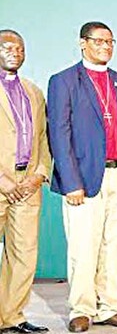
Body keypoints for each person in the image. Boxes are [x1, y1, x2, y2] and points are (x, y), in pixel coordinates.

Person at [47, 22, 117, 332]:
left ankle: (111, 308)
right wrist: (70, 181)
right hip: (84, 178)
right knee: (83, 246)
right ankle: (82, 309)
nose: (105, 46)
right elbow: (59, 134)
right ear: (82, 43)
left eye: (110, 41)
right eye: (99, 41)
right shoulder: (64, 81)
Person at [0, 30, 51, 334]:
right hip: (2, 182)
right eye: (7, 47)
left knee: (24, 255)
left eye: (20, 48)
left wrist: (39, 174)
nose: (14, 52)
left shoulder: (33, 91)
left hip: (27, 186)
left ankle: (11, 317)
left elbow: (43, 139)